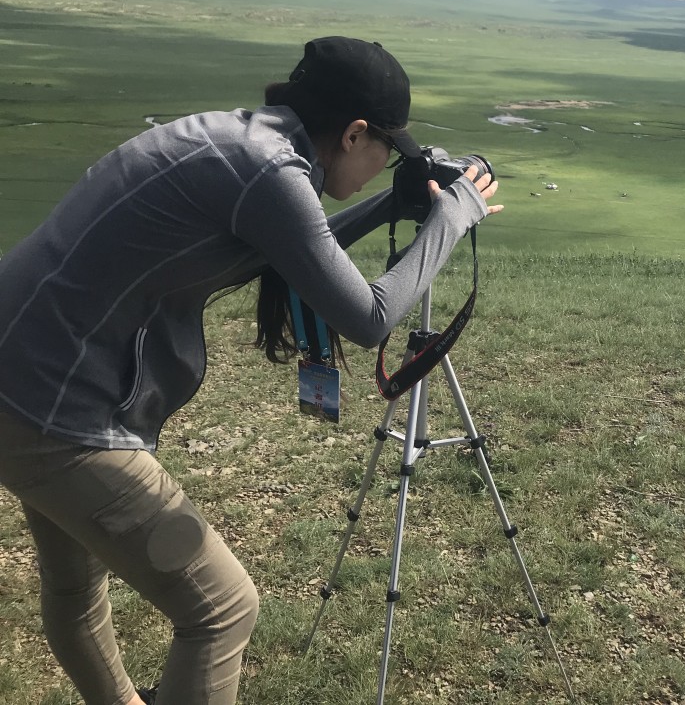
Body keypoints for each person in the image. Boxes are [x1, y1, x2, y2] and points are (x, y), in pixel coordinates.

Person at [0, 37, 502, 705]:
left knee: (74, 585)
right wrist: (456, 214)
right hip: (54, 412)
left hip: (19, 375)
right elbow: (370, 317)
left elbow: (285, 250)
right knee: (221, 608)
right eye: (388, 149)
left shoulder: (245, 144)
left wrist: (391, 205)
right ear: (354, 134)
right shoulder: (269, 173)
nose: (385, 165)